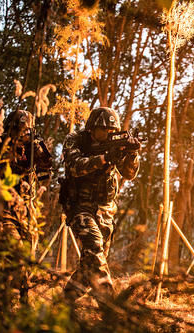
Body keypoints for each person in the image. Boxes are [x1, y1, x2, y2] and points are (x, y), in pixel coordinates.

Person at [62, 107, 140, 301]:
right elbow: (74, 167)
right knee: (94, 247)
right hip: (80, 207)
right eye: (105, 130)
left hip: (105, 211)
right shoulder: (75, 140)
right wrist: (105, 158)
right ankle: (110, 308)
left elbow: (129, 174)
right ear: (92, 128)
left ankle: (63, 303)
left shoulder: (114, 144)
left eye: (113, 131)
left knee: (90, 264)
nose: (109, 134)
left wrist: (131, 154)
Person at [0, 109, 52, 241]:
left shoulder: (30, 148)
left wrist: (38, 148)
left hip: (25, 209)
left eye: (27, 131)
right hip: (4, 207)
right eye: (21, 130)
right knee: (14, 246)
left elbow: (47, 165)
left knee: (27, 247)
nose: (24, 134)